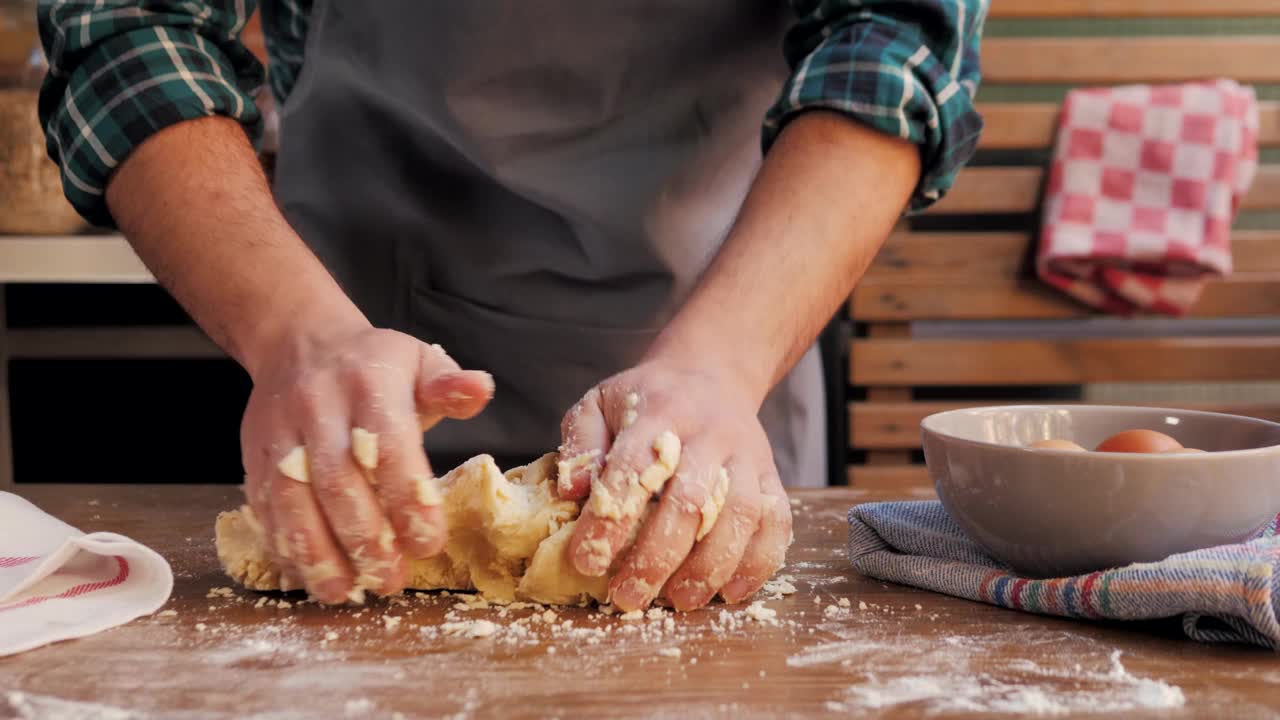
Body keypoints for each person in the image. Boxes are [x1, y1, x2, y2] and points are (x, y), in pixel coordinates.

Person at [37, 1, 984, 611]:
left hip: (724, 330)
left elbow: (894, 40)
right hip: (336, 334)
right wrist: (296, 334)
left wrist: (721, 364)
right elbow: (130, 28)